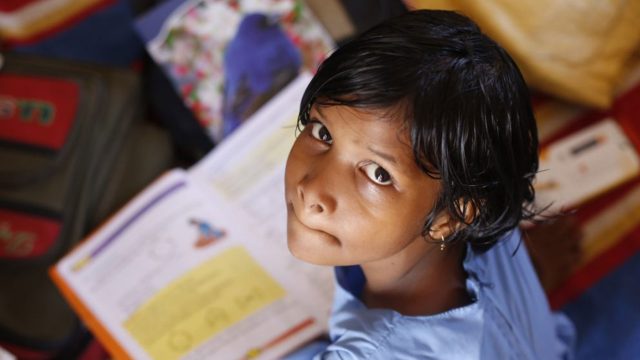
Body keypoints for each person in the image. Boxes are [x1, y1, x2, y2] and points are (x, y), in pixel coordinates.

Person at [283, 9, 575, 359]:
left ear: (449, 218)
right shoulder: (478, 190)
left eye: (378, 173)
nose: (312, 191)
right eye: (322, 132)